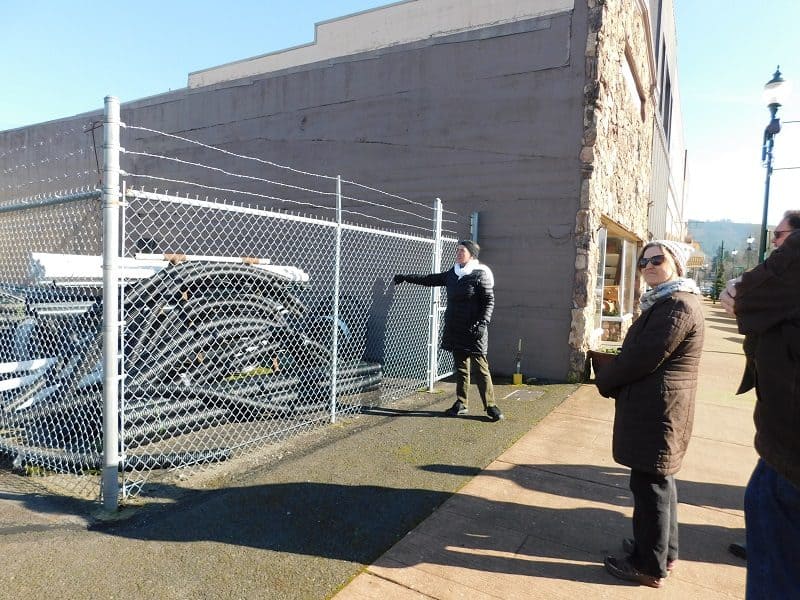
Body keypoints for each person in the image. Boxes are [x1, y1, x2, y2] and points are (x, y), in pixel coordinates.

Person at [594, 240, 704, 588]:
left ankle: (647, 565)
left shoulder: (677, 306)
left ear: (677, 265)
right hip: (658, 409)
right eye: (643, 262)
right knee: (660, 484)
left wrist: (606, 379)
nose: (649, 266)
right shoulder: (667, 302)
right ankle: (660, 551)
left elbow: (643, 358)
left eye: (657, 260)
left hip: (658, 413)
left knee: (650, 487)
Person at [719, 210, 800, 598]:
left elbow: (745, 299)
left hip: (789, 453)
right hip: (783, 444)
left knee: (776, 569)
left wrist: (739, 289)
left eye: (778, 236)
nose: (772, 245)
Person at [393, 240, 504, 422]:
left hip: (475, 329)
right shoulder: (453, 274)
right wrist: (407, 277)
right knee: (461, 368)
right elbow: (430, 279)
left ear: (472, 254)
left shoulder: (480, 274)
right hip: (456, 328)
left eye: (463, 250)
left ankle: (491, 406)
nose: (459, 253)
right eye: (458, 250)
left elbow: (489, 301)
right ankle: (462, 403)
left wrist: (483, 323)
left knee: (482, 368)